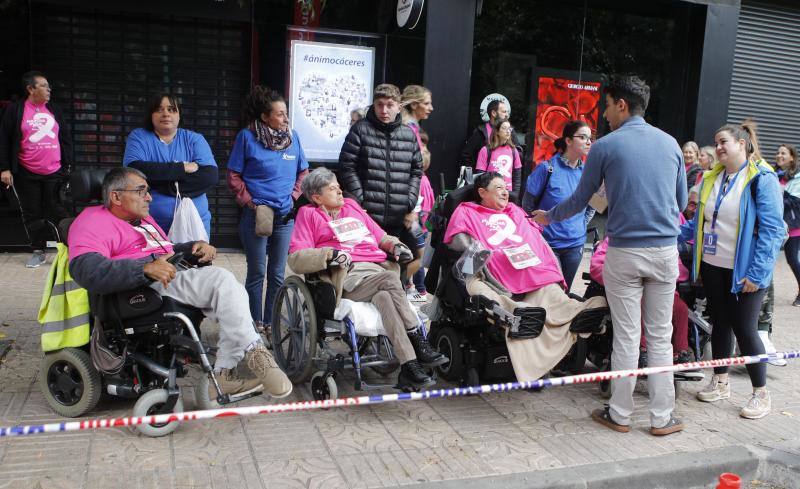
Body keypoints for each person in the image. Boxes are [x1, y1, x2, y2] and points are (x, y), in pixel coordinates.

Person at [533, 76, 687, 436]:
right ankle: (662, 418)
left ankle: (619, 414)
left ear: (621, 104)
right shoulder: (671, 145)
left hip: (624, 252)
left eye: (606, 105)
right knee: (660, 336)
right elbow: (680, 202)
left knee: (628, 337)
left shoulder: (605, 147)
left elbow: (580, 199)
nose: (603, 114)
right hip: (665, 252)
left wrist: (548, 216)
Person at [67, 167, 292, 399]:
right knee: (222, 281)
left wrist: (192, 248)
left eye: (148, 191)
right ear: (116, 196)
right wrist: (143, 269)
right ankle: (252, 355)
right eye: (141, 191)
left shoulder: (141, 220)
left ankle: (227, 370)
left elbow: (164, 251)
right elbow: (85, 270)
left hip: (169, 275)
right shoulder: (90, 222)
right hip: (138, 288)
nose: (149, 197)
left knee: (233, 295)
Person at [287, 167, 447, 390]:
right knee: (391, 281)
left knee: (385, 298)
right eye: (332, 189)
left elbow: (380, 235)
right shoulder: (308, 214)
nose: (340, 192)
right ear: (316, 197)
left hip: (375, 270)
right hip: (346, 275)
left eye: (339, 187)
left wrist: (396, 245)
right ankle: (419, 340)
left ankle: (409, 366)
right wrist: (328, 254)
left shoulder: (352, 207)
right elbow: (296, 258)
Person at [444, 171, 608, 382]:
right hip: (491, 271)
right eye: (498, 188)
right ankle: (515, 315)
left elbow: (534, 239)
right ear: (482, 192)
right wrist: (476, 248)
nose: (505, 192)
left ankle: (574, 312)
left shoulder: (515, 211)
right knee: (490, 297)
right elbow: (455, 239)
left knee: (550, 292)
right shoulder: (467, 211)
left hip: (526, 270)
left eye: (506, 187)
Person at [679, 121, 784, 419]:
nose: (719, 147)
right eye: (717, 142)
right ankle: (721, 382)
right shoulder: (713, 176)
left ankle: (760, 393)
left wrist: (758, 272)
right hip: (714, 265)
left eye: (724, 141)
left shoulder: (761, 178)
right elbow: (699, 222)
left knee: (746, 329)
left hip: (746, 271)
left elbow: (773, 230)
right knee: (721, 324)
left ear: (742, 144)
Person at [227, 86, 309, 333]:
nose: (285, 119)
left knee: (276, 273)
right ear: (264, 117)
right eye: (280, 114)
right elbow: (233, 175)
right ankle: (255, 323)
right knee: (257, 272)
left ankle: (271, 322)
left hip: (284, 216)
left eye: (286, 113)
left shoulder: (292, 137)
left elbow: (303, 172)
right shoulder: (247, 137)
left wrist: (294, 196)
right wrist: (250, 202)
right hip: (256, 216)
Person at [339, 83, 423, 283]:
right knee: (368, 271)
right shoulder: (360, 130)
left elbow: (416, 170)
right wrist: (360, 200)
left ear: (399, 107)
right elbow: (346, 167)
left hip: (398, 216)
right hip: (367, 217)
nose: (384, 110)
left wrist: (409, 201)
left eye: (389, 105)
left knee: (396, 271)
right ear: (373, 106)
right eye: (379, 105)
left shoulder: (408, 135)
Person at [0, 71, 72, 268]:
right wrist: (5, 168)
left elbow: (65, 138)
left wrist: (68, 164)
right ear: (31, 89)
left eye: (48, 86)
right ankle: (38, 250)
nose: (49, 89)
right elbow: (4, 140)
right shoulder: (16, 110)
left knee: (57, 210)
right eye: (44, 86)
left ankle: (66, 250)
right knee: (32, 213)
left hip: (55, 171)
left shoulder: (54, 109)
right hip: (26, 171)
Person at [123, 94, 218, 237]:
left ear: (179, 115)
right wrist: (181, 168)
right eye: (159, 109)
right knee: (154, 260)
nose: (166, 114)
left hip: (194, 225)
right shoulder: (139, 137)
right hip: (150, 225)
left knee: (194, 259)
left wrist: (159, 184)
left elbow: (209, 177)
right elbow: (134, 171)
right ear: (151, 114)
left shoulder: (194, 139)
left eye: (171, 109)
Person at [523, 120, 593, 291]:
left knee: (565, 293)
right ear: (568, 141)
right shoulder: (547, 169)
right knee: (551, 293)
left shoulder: (587, 173)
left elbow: (592, 205)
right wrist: (536, 231)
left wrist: (581, 225)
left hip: (575, 246)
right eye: (583, 137)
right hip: (548, 244)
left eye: (590, 138)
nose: (589, 142)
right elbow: (527, 205)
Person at [776, 143, 800, 306]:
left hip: (793, 224)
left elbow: (794, 202)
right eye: (778, 153)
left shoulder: (797, 177)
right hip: (778, 223)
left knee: (792, 259)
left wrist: (775, 197)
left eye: (783, 153)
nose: (779, 155)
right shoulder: (776, 175)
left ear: (792, 157)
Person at [475, 118, 522, 197]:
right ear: (497, 131)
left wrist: (515, 195)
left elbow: (517, 177)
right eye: (504, 128)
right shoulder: (486, 150)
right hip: (491, 194)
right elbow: (480, 176)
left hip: (507, 194)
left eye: (509, 128)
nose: (508, 131)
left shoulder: (514, 151)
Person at [460, 99, 510, 168]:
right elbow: (467, 155)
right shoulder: (480, 132)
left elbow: (518, 152)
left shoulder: (509, 131)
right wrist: (474, 175)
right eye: (504, 112)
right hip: (484, 176)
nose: (507, 115)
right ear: (493, 113)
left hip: (505, 175)